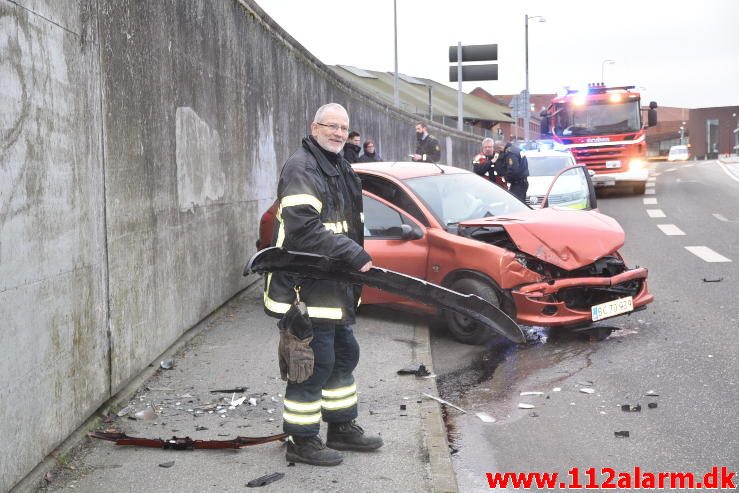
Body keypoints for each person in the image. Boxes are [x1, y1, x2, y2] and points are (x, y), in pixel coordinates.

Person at [263, 103, 383, 467]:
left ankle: (342, 427)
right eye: (331, 126)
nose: (338, 133)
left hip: (335, 286)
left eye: (344, 128)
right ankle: (301, 439)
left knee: (344, 357)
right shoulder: (302, 167)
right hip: (307, 287)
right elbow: (303, 230)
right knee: (313, 364)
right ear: (314, 127)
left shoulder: (338, 165)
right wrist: (353, 253)